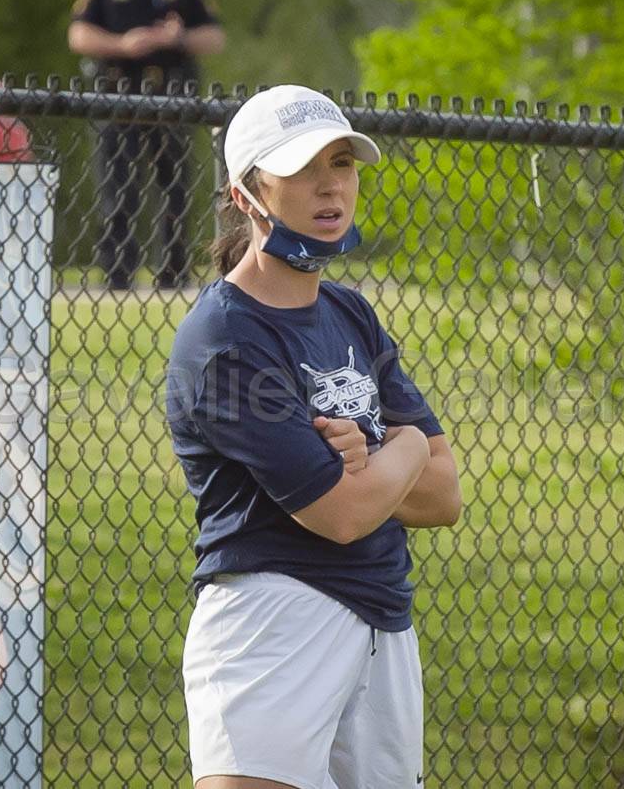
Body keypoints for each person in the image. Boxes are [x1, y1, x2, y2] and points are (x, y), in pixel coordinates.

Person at [164, 85, 464, 789]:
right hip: (274, 623)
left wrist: (384, 459)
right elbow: (341, 513)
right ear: (246, 194)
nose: (330, 186)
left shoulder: (349, 312)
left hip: (384, 621)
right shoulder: (225, 338)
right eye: (301, 169)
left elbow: (445, 494)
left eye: (342, 163)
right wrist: (409, 447)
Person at [67, 0, 225, 290]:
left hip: (172, 95)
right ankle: (117, 273)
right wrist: (122, 45)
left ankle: (174, 271)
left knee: (174, 188)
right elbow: (78, 34)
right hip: (116, 95)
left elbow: (214, 37)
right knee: (116, 188)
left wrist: (176, 39)